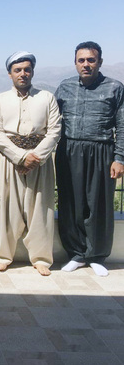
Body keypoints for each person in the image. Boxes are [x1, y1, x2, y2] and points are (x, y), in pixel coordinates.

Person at [55, 41, 124, 277]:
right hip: (69, 150)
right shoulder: (64, 87)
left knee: (99, 204)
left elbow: (122, 125)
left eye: (91, 60)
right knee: (71, 203)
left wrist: (119, 158)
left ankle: (96, 255)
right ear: (75, 63)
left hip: (101, 151)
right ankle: (76, 253)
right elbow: (50, 120)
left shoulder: (115, 87)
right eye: (81, 60)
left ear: (100, 62)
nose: (86, 64)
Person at [0, 52, 61, 276]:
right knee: (7, 208)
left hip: (40, 162)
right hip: (9, 161)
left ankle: (41, 258)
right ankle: (4, 256)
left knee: (41, 208)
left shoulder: (47, 98)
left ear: (32, 72)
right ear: (10, 74)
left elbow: (54, 131)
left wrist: (34, 158)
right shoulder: (0, 100)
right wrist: (21, 157)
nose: (23, 74)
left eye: (27, 69)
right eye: (18, 70)